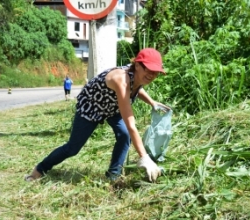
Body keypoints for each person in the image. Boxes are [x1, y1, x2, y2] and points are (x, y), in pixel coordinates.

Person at [25, 48, 170, 182]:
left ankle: (113, 175)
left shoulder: (138, 77)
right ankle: (40, 169)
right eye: (148, 69)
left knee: (124, 135)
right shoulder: (121, 79)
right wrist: (144, 157)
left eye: (155, 71)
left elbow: (136, 88)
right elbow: (131, 124)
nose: (151, 74)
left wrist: (152, 102)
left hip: (112, 107)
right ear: (137, 65)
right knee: (72, 148)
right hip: (91, 106)